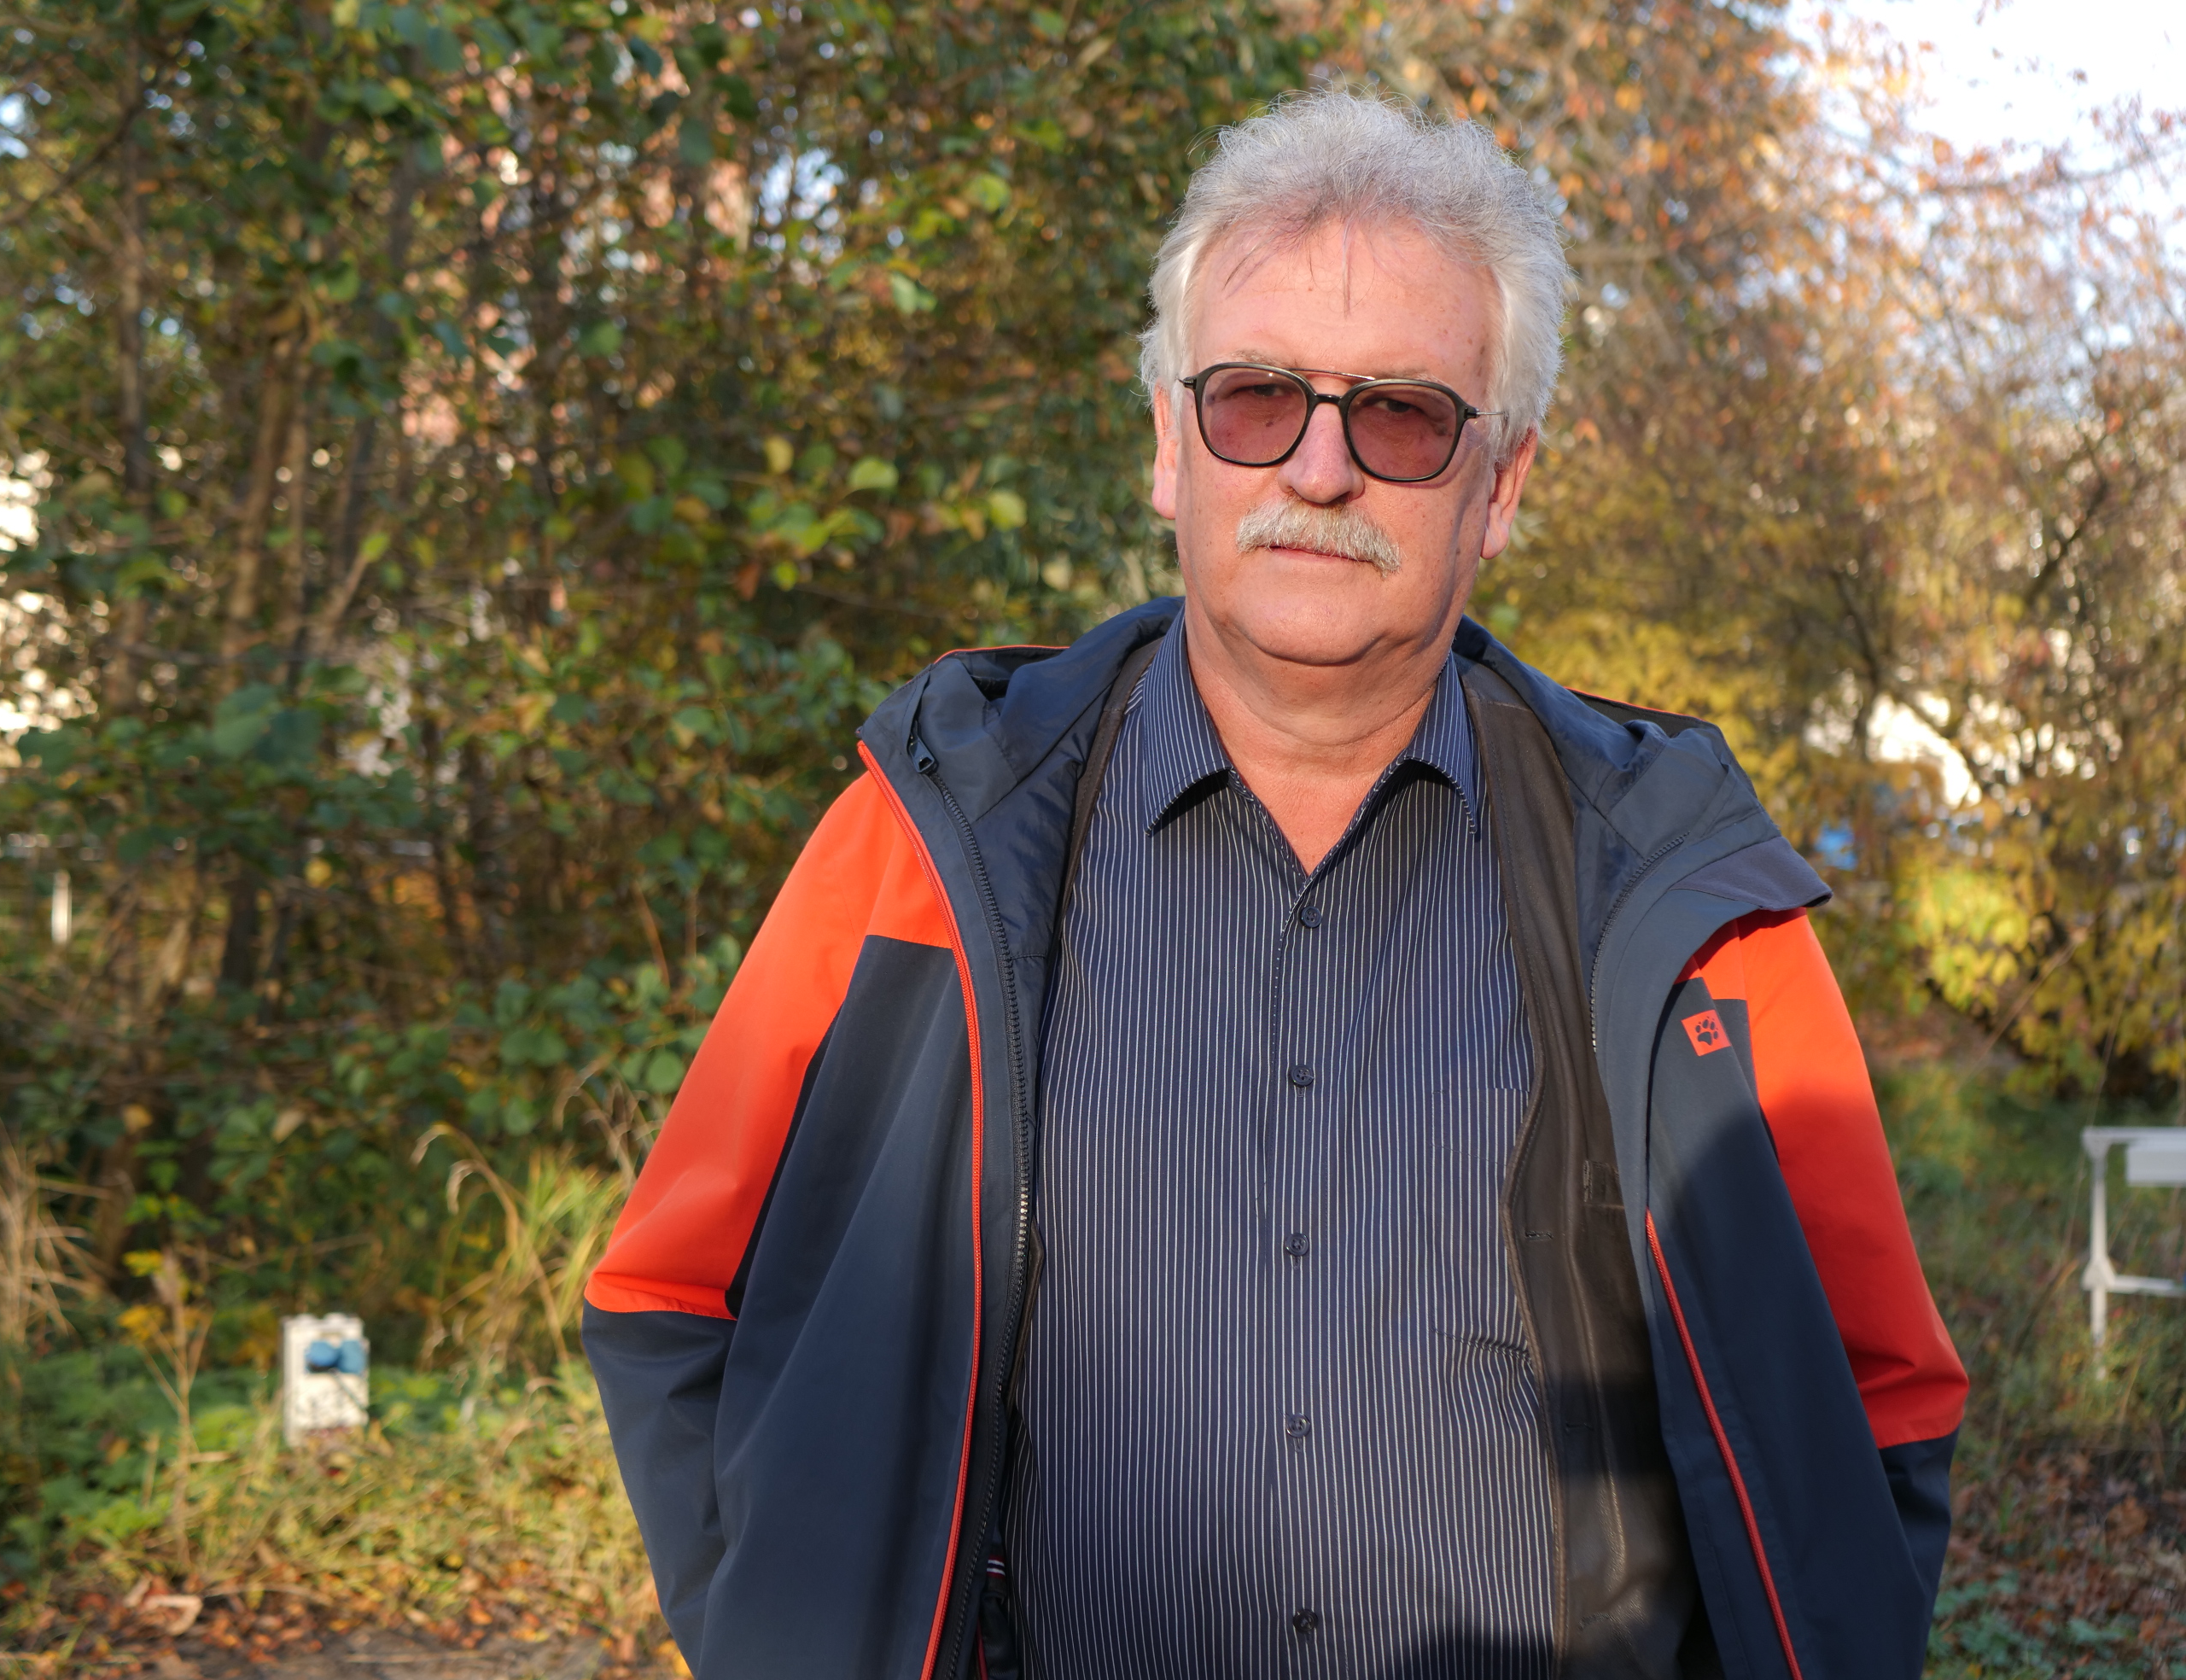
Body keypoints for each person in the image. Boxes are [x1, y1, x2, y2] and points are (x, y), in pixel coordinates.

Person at [581, 90, 1967, 1680]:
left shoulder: (1683, 904)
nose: (1317, 469)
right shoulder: (919, 845)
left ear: (1498, 486)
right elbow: (670, 1292)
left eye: (1398, 417)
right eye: (1252, 400)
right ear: (1169, 447)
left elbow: (1880, 1399)